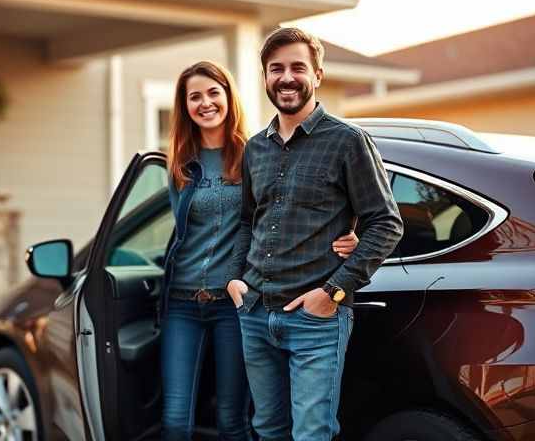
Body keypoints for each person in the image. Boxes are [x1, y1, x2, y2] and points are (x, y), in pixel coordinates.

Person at [161, 60, 360, 441]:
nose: (205, 103)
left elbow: (281, 217)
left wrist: (349, 233)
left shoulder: (257, 152)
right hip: (181, 302)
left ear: (228, 97)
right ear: (184, 105)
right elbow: (185, 233)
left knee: (232, 419)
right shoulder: (179, 165)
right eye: (194, 96)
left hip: (233, 303)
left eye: (213, 92)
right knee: (173, 419)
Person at [226, 28, 404, 441]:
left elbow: (386, 222)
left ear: (317, 75)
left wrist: (334, 293)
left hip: (315, 319)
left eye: (297, 67)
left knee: (312, 433)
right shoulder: (255, 148)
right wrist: (234, 279)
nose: (286, 78)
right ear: (265, 77)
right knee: (267, 429)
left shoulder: (348, 142)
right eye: (276, 69)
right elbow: (246, 220)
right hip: (255, 312)